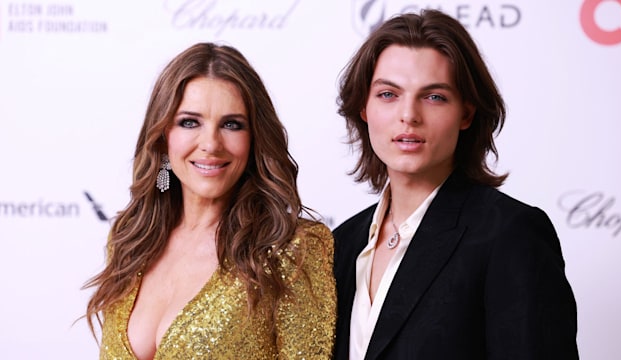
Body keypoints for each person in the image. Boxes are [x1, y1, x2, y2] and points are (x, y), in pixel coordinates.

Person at [332, 9, 578, 360]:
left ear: (466, 113)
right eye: (388, 94)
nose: (409, 115)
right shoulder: (342, 244)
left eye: (434, 96)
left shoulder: (511, 235)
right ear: (363, 107)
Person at [83, 42, 335, 359]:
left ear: (254, 138)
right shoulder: (130, 240)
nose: (211, 144)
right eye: (190, 122)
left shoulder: (291, 248)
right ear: (163, 136)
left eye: (231, 125)